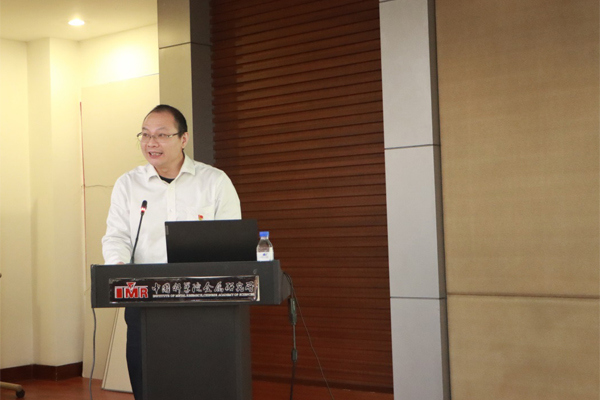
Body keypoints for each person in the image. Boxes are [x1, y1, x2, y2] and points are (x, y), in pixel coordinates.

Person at [101, 104, 241, 400]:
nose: (151, 143)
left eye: (161, 135)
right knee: (147, 380)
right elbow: (117, 236)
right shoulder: (128, 184)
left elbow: (231, 241)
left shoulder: (214, 182)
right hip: (145, 299)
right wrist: (118, 268)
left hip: (203, 302)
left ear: (183, 139)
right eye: (145, 134)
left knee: (202, 381)